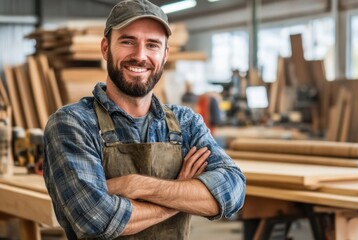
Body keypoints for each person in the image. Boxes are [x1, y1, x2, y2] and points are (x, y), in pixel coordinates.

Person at [42, 0, 246, 239]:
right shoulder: (72, 124)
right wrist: (181, 193)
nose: (140, 56)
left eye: (152, 45)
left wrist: (135, 185)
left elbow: (232, 192)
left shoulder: (185, 123)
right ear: (106, 48)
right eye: (128, 41)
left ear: (165, 54)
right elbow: (97, 220)